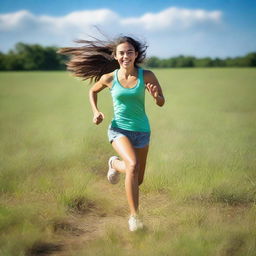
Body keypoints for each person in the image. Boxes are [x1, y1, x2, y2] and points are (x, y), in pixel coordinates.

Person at [58, 36, 165, 231]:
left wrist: (156, 96)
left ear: (136, 55)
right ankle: (134, 218)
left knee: (137, 178)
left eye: (129, 52)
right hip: (118, 129)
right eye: (122, 53)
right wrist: (96, 112)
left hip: (142, 131)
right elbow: (93, 91)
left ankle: (114, 163)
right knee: (132, 166)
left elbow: (161, 102)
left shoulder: (147, 75)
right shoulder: (109, 77)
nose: (126, 56)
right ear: (115, 56)